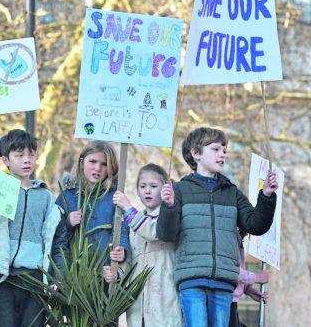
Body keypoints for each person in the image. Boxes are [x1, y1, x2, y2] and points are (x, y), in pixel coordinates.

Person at [156, 127, 279, 327]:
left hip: (223, 282)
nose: (222, 154)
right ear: (196, 154)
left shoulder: (232, 193)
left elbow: (255, 225)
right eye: (215, 149)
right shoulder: (179, 190)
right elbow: (165, 234)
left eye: (225, 150)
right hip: (192, 280)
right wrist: (168, 207)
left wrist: (266, 195)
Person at [0, 129, 69, 327]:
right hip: (2, 279)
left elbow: (56, 241)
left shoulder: (46, 196)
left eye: (31, 154)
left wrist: (57, 278)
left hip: (35, 279)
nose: (27, 160)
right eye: (19, 155)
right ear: (5, 160)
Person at [112, 163, 182, 327]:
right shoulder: (133, 224)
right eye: (143, 186)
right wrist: (117, 273)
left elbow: (153, 232)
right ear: (137, 190)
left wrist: (127, 207)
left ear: (165, 189)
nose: (147, 191)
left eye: (153, 186)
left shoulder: (169, 217)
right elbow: (129, 260)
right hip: (138, 307)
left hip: (164, 304)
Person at [55, 140, 129, 270]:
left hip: (104, 273)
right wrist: (68, 223)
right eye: (93, 162)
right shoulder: (66, 196)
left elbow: (121, 229)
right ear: (82, 163)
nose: (98, 168)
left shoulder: (115, 198)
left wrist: (122, 250)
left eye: (104, 164)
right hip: (73, 275)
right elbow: (54, 235)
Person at [228, 230, 270, 327]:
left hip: (231, 302)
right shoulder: (228, 232)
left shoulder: (236, 235)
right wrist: (255, 277)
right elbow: (227, 267)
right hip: (222, 301)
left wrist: (247, 288)